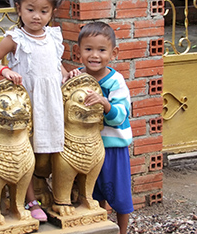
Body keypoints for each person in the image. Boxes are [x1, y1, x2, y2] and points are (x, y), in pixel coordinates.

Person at [0, 0, 72, 222]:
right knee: (28, 151)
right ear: (19, 8)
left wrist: (67, 75)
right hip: (27, 106)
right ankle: (29, 200)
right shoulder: (16, 38)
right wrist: (5, 71)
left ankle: (54, 194)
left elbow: (55, 65)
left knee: (51, 150)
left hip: (51, 105)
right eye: (30, 10)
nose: (36, 16)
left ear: (52, 11)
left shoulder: (53, 36)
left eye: (44, 11)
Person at [73, 21, 134, 234]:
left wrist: (105, 103)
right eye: (88, 49)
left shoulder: (116, 82)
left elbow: (120, 116)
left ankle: (122, 231)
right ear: (77, 51)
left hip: (112, 147)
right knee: (91, 192)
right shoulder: (77, 78)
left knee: (119, 192)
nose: (94, 55)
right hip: (87, 147)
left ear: (113, 53)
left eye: (101, 50)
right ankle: (100, 229)